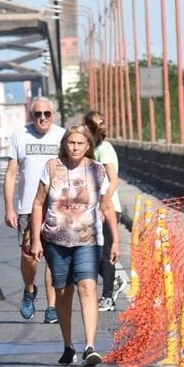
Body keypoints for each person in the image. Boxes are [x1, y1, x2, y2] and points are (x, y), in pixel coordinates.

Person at [31, 125, 119, 366]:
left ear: (88, 145)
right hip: (56, 239)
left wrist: (116, 241)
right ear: (65, 145)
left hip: (87, 239)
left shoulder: (96, 170)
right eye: (71, 143)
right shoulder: (52, 167)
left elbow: (107, 206)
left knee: (88, 287)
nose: (76, 147)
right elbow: (38, 203)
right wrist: (35, 239)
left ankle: (90, 346)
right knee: (63, 292)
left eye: (80, 143)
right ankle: (68, 345)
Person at [3, 96, 64, 323]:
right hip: (28, 208)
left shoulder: (62, 136)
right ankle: (29, 290)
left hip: (57, 207)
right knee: (30, 257)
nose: (42, 118)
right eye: (37, 114)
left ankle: (52, 307)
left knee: (53, 258)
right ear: (31, 115)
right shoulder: (20, 136)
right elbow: (11, 174)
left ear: (52, 114)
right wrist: (9, 207)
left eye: (46, 114)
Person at [84, 111, 128, 311]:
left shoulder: (104, 148)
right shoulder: (92, 149)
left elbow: (114, 178)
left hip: (108, 208)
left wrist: (104, 203)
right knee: (91, 254)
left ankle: (108, 297)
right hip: (95, 208)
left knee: (104, 252)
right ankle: (115, 280)